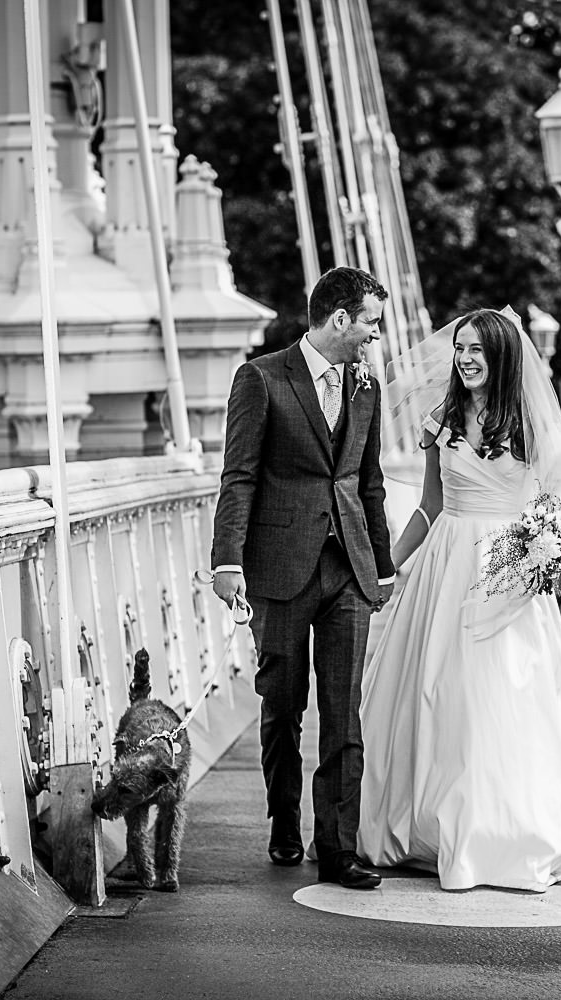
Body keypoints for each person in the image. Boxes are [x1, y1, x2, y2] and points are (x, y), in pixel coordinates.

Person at [357, 307, 561, 892]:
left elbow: (557, 511)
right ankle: (428, 827)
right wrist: (387, 565)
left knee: (494, 697)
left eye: (477, 349)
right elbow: (429, 506)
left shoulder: (531, 424)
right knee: (431, 692)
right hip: (444, 567)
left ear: (501, 355)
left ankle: (494, 833)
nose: (465, 358)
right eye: (460, 348)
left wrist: (534, 558)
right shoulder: (440, 419)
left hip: (506, 573)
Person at [210, 266, 397, 891]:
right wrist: (227, 561)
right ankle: (284, 823)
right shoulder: (260, 379)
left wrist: (384, 564)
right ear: (339, 319)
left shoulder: (367, 387)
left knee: (344, 713)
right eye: (369, 323)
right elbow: (239, 475)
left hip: (348, 568)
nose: (375, 336)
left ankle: (338, 848)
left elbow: (367, 481)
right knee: (283, 706)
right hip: (278, 567)